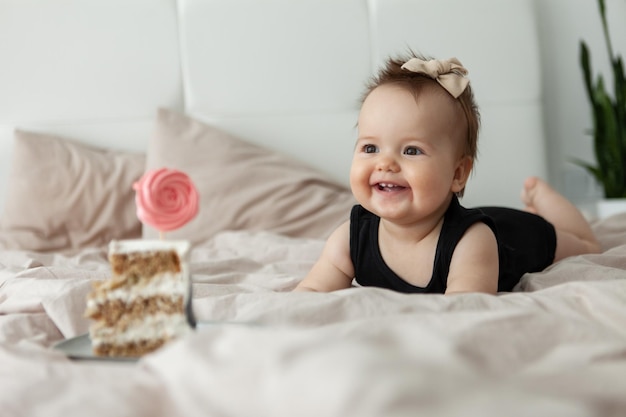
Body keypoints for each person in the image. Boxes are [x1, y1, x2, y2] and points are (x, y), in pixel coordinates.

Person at [294, 52, 601, 295]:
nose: (385, 164)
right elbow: (310, 292)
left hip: (516, 233)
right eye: (370, 148)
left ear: (458, 173)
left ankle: (540, 197)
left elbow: (461, 313)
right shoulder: (351, 237)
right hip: (482, 218)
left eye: (411, 150)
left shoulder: (472, 241)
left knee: (587, 246)